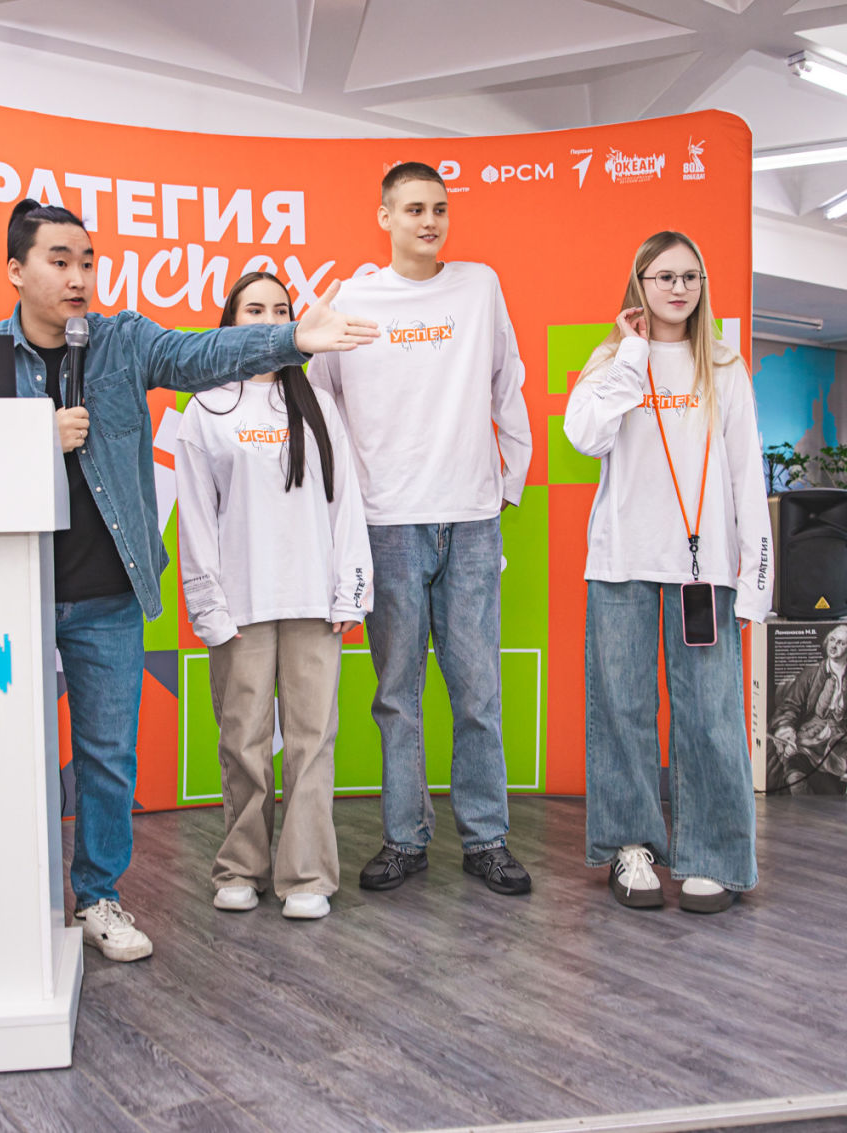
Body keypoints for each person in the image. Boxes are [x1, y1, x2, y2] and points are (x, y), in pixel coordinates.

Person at [0, 200, 378, 961]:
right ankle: (7, 902)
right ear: (15, 270)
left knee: (107, 759)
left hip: (107, 596)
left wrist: (292, 339)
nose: (78, 277)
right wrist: (30, 436)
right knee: (0, 754)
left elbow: (199, 356)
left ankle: (98, 897)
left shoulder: (122, 342)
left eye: (87, 261)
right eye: (59, 261)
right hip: (8, 591)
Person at [309, 162, 534, 897]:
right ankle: (405, 838)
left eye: (438, 208)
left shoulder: (479, 286)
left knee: (478, 693)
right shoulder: (351, 300)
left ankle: (486, 838)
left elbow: (508, 382)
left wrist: (507, 485)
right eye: (413, 209)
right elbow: (323, 404)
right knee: (397, 695)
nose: (429, 221)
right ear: (385, 217)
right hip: (389, 524)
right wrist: (347, 508)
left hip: (471, 521)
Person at [564, 229, 770, 914]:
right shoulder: (610, 361)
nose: (678, 288)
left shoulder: (725, 366)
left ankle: (712, 855)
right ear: (640, 285)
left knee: (711, 715)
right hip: (622, 557)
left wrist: (756, 581)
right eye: (664, 277)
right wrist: (631, 354)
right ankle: (631, 847)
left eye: (689, 276)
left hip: (702, 569)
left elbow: (746, 475)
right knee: (621, 709)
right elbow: (585, 437)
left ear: (702, 285)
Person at [177, 272, 372, 921]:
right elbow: (196, 518)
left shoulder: (317, 404)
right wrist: (209, 607)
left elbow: (346, 505)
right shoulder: (206, 409)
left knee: (313, 743)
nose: (269, 320)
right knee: (244, 743)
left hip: (313, 603)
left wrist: (349, 592)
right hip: (241, 606)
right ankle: (240, 867)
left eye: (280, 310)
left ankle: (308, 875)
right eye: (254, 310)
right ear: (230, 323)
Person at [769, 623, 847, 794]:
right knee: (795, 763)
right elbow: (790, 705)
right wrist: (787, 729)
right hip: (809, 734)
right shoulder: (811, 672)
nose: (834, 646)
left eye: (841, 643)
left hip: (839, 737)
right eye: (832, 640)